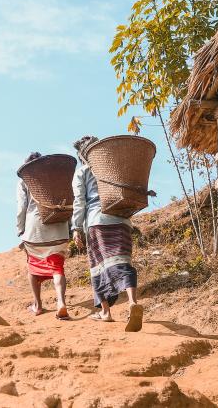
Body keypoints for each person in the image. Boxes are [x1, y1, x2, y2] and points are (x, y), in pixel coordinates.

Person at [71, 136, 143, 332]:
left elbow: (80, 201)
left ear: (82, 156)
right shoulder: (114, 166)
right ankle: (131, 302)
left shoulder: (83, 172)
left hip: (97, 222)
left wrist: (76, 227)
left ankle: (106, 312)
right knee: (123, 262)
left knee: (99, 267)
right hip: (122, 220)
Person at [16, 152, 71, 320]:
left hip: (35, 231)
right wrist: (71, 226)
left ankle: (38, 305)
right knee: (57, 267)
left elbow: (21, 207)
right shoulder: (58, 177)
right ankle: (61, 302)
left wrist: (20, 230)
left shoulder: (24, 180)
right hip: (59, 228)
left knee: (33, 267)